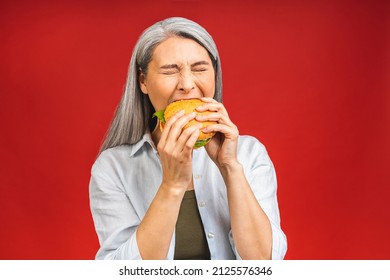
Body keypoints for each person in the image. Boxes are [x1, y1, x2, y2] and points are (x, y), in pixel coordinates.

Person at [89, 17, 287, 260]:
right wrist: (172, 185)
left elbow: (264, 263)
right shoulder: (112, 167)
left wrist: (230, 169)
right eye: (170, 70)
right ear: (143, 81)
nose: (187, 84)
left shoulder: (249, 154)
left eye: (200, 68)